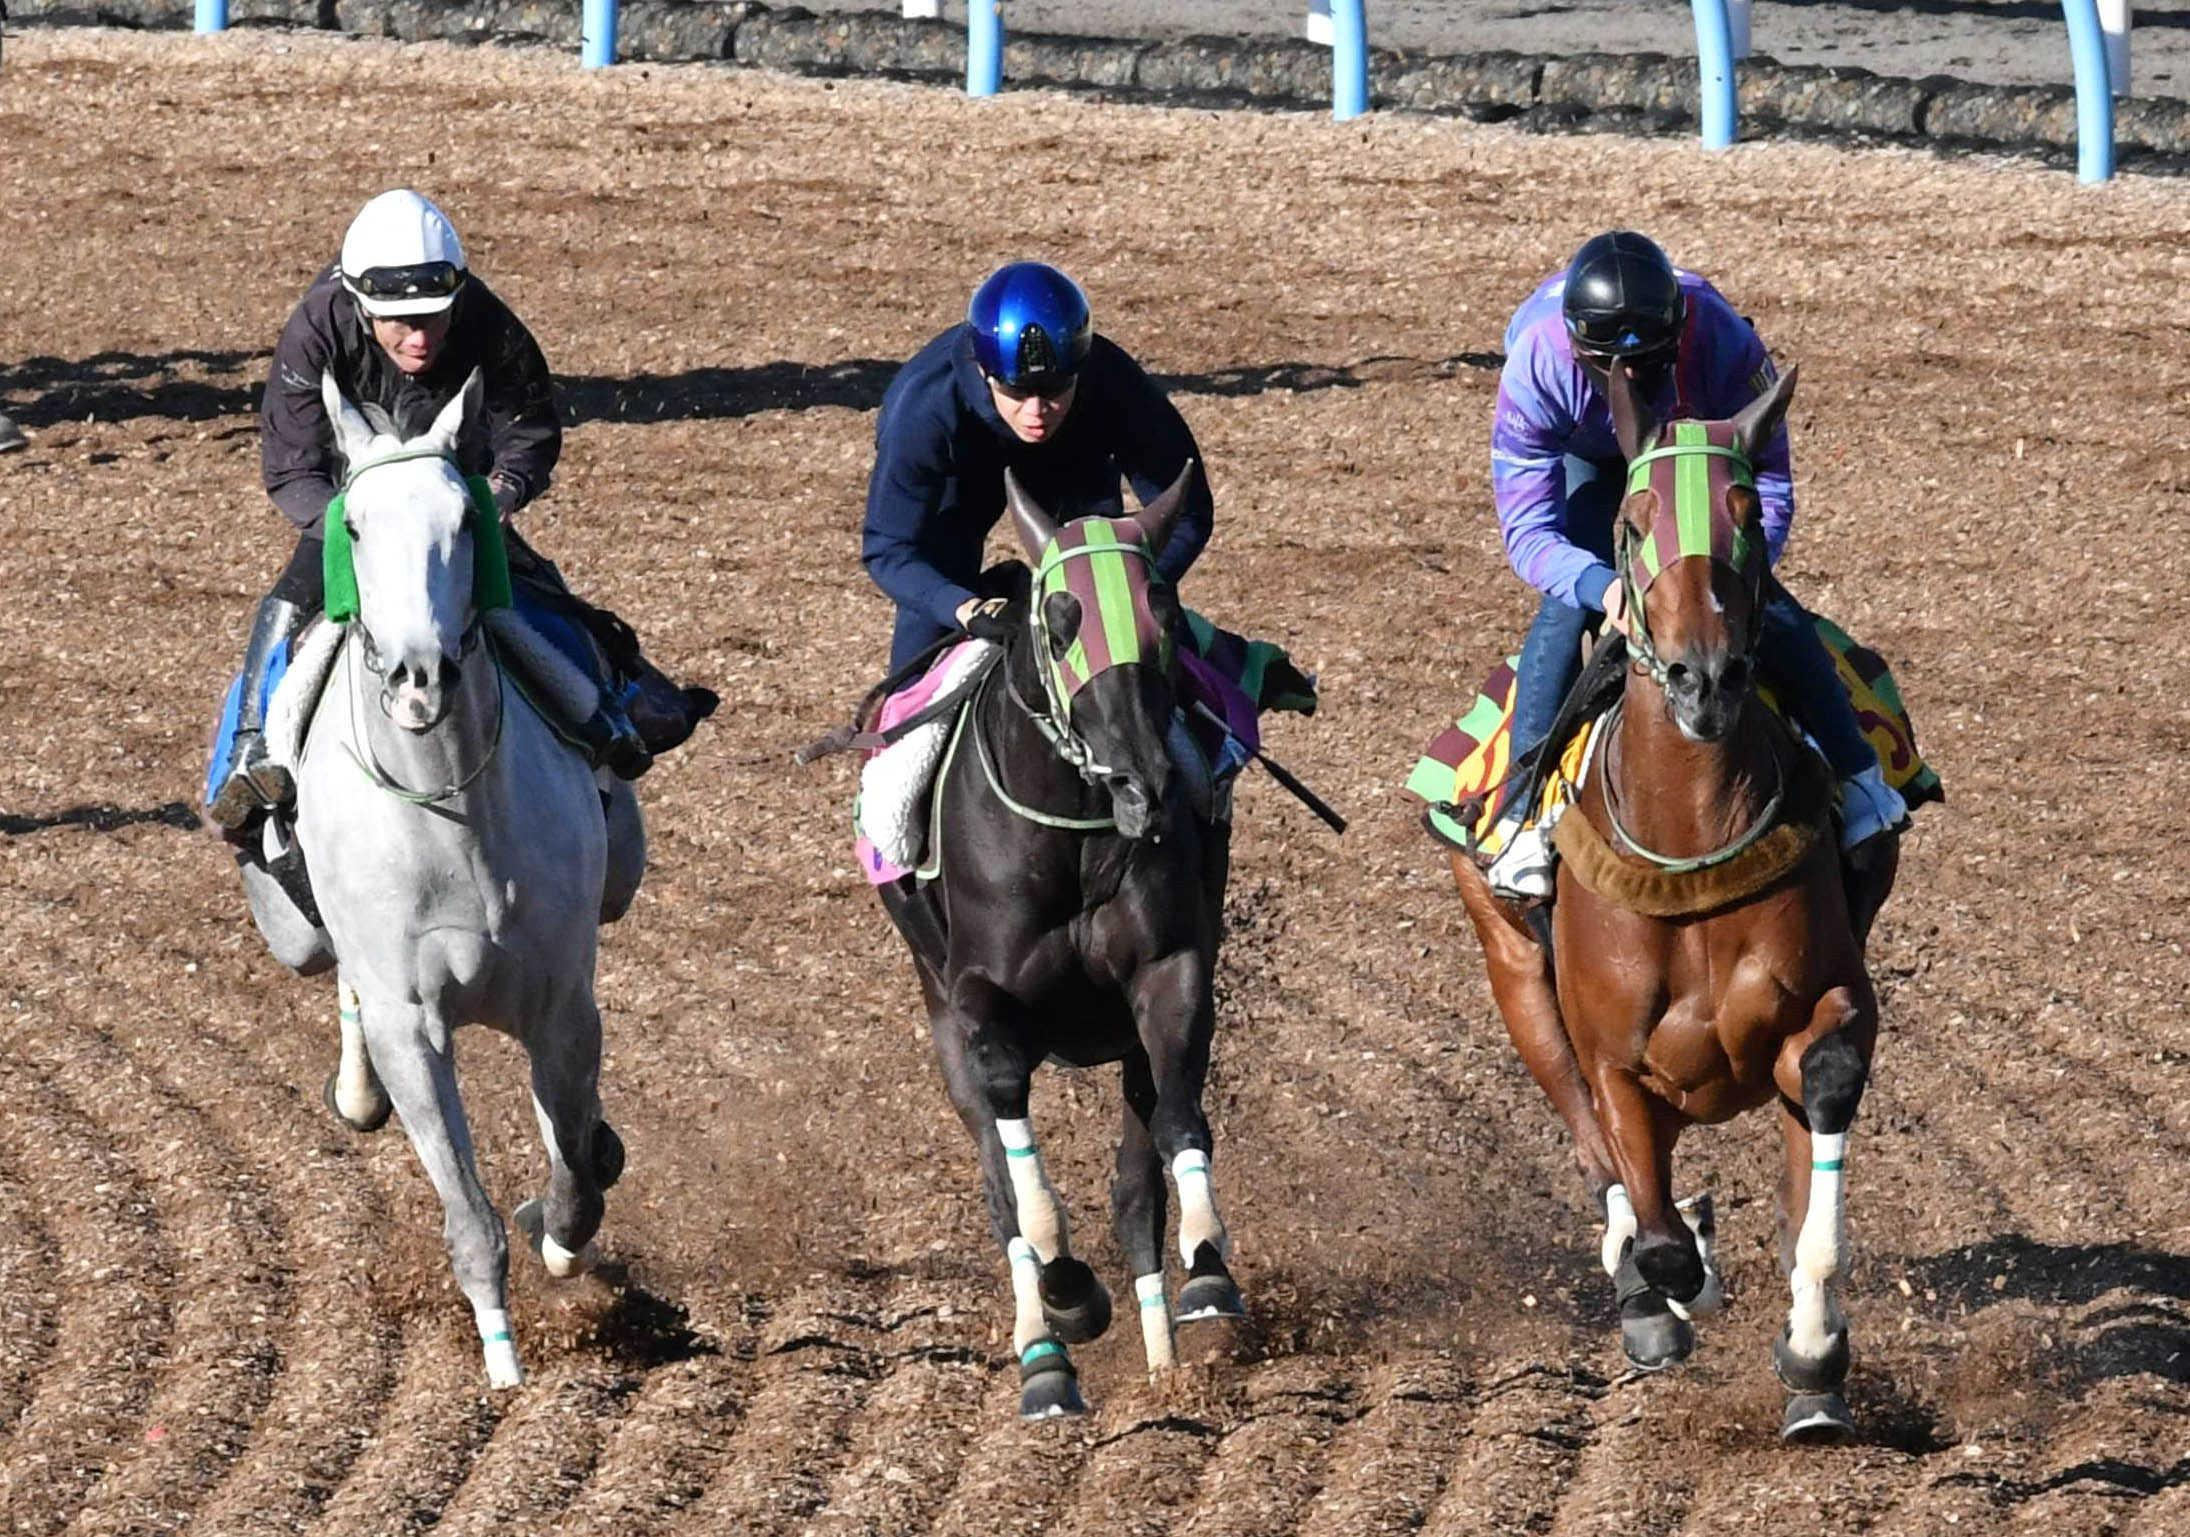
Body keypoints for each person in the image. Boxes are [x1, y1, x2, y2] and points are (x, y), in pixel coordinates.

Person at [207, 189, 711, 830]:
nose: (418, 338)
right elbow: (291, 467)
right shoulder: (315, 329)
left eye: (433, 319)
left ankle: (612, 712)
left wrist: (498, 496)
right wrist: (358, 526)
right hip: (352, 510)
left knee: (537, 598)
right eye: (399, 323)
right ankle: (249, 751)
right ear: (362, 307)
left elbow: (528, 430)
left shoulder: (488, 321)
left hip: (455, 501)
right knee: (285, 608)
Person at [1484, 230, 1906, 899]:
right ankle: (1519, 817)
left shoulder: (1722, 334)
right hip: (1593, 457)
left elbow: (1769, 480)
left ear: (1680, 332)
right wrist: (1603, 587)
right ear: (1576, 352)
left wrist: (1738, 570)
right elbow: (1530, 529)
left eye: (1652, 363)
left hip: (1701, 447)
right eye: (1610, 368)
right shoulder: (1536, 363)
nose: (1633, 380)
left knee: (1769, 608)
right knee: (1565, 617)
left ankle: (1858, 779)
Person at [862, 260, 1215, 673]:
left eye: (1054, 389)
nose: (1037, 412)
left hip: (1074, 459)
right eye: (1017, 390)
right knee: (922, 643)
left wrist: (1129, 581)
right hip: (961, 480)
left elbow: (1189, 510)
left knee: (1142, 635)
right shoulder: (923, 411)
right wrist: (965, 608)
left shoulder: (1114, 382)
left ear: (1080, 369)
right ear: (982, 370)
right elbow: (890, 549)